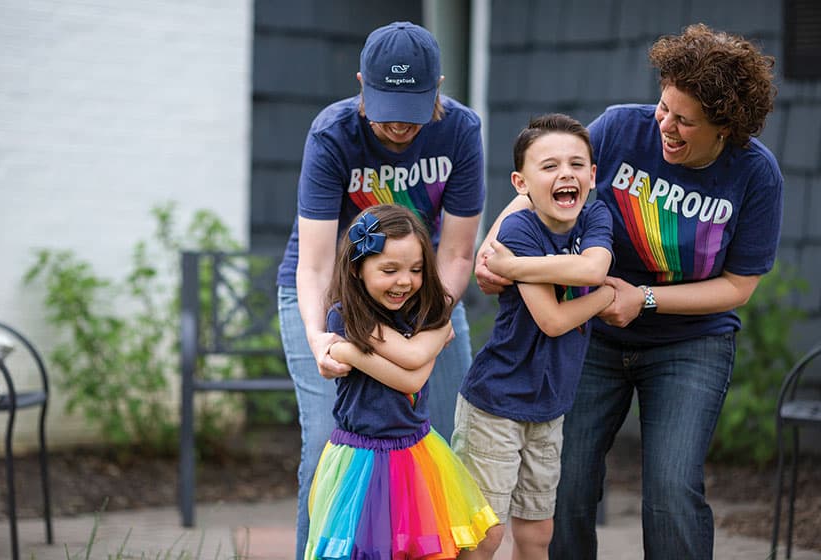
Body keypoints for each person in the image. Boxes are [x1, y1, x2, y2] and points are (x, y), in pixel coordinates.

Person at [475, 24, 783, 559]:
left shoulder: (756, 175)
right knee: (564, 480)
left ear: (725, 128)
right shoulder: (621, 128)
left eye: (685, 121)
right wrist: (495, 249)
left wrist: (642, 299)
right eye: (664, 107)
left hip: (690, 342)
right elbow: (548, 180)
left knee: (670, 489)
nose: (665, 124)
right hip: (588, 335)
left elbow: (738, 286)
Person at [276, 21, 485, 559]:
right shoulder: (333, 133)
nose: (397, 125)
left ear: (437, 88)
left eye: (412, 108)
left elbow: (458, 254)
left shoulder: (461, 130)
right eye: (386, 106)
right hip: (334, 299)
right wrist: (322, 339)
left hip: (424, 293)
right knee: (328, 441)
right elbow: (317, 264)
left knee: (435, 440)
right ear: (361, 85)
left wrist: (432, 326)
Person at [451, 114, 614, 560]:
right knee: (485, 533)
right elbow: (553, 320)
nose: (566, 174)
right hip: (497, 401)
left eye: (577, 164)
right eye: (550, 166)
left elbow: (594, 268)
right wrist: (604, 299)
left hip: (550, 404)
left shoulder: (596, 215)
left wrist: (515, 270)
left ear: (593, 175)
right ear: (521, 183)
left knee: (539, 531)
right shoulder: (519, 230)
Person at [304, 204, 497, 559]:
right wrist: (435, 338)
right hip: (360, 460)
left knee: (434, 545)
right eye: (389, 270)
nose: (404, 281)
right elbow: (411, 369)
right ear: (358, 270)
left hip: (415, 453)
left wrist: (349, 354)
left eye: (416, 269)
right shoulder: (347, 317)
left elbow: (414, 368)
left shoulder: (422, 311)